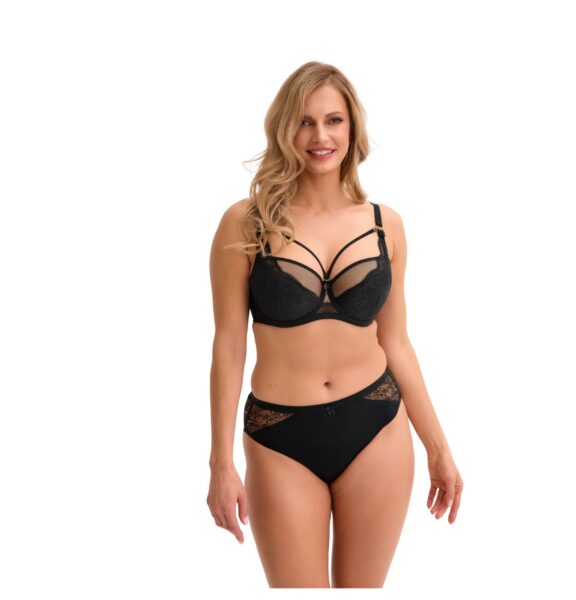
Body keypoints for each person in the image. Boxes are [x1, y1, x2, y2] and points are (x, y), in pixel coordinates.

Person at [207, 61, 463, 588]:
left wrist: (438, 447)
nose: (320, 136)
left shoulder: (385, 225)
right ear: (285, 129)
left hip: (377, 427)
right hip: (279, 436)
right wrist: (220, 462)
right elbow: (229, 347)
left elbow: (397, 342)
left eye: (333, 120)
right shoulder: (245, 223)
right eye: (305, 121)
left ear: (352, 128)